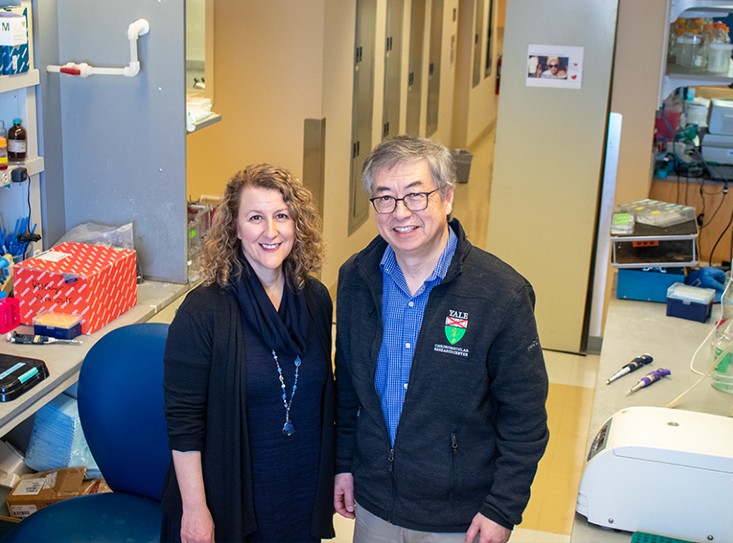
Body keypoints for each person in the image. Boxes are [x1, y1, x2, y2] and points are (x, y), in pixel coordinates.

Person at [334, 136, 549, 543]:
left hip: (460, 518)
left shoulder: (501, 293)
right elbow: (347, 390)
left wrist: (502, 507)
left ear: (447, 197)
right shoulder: (356, 280)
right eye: (385, 198)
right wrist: (343, 464)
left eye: (416, 196)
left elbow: (525, 417)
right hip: (375, 504)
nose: (401, 213)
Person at [161, 164, 335, 543]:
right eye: (255, 217)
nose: (270, 232)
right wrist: (195, 511)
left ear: (297, 225)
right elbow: (184, 423)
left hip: (300, 492)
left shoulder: (316, 300)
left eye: (282, 216)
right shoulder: (203, 311)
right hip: (229, 501)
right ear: (234, 228)